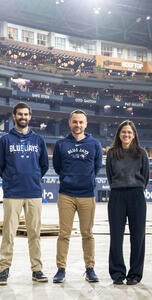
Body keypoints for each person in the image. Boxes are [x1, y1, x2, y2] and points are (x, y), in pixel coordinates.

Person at [0, 102, 49, 285]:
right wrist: (11, 179)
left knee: (34, 233)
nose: (23, 117)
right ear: (14, 116)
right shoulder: (5, 140)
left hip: (33, 192)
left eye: (26, 114)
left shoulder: (38, 140)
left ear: (30, 117)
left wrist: (33, 177)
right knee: (8, 233)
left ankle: (37, 269)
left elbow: (44, 165)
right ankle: (4, 270)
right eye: (20, 114)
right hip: (12, 193)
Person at [52, 109, 103, 284]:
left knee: (87, 233)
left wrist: (86, 180)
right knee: (64, 233)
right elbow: (58, 167)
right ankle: (61, 269)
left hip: (87, 194)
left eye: (81, 122)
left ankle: (90, 269)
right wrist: (69, 178)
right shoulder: (61, 145)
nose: (78, 125)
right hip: (66, 194)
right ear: (70, 123)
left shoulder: (94, 144)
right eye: (75, 122)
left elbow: (96, 167)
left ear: (86, 124)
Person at [106, 120, 150, 285]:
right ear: (119, 134)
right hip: (117, 195)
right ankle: (117, 273)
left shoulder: (141, 153)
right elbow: (110, 176)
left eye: (129, 132)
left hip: (136, 195)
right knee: (116, 236)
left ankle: (135, 274)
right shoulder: (112, 153)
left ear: (134, 135)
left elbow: (144, 177)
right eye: (123, 132)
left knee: (138, 236)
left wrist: (135, 189)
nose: (126, 135)